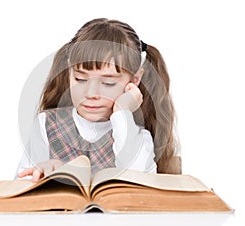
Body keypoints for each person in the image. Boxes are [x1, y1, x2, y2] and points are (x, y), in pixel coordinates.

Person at [16, 18, 181, 182]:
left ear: (135, 80)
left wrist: (122, 112)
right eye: (80, 79)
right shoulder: (46, 125)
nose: (91, 93)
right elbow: (18, 187)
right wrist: (44, 175)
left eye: (108, 83)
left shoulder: (136, 134)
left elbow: (141, 186)